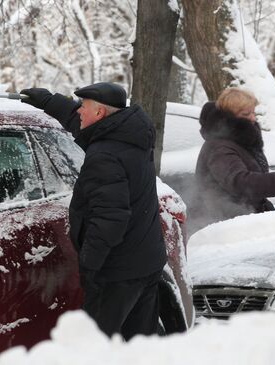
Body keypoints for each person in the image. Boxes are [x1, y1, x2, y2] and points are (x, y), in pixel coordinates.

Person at [20, 83, 166, 340]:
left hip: (117, 273)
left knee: (94, 347)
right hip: (146, 262)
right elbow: (79, 122)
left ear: (99, 113)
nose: (78, 111)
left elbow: (110, 218)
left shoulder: (105, 155)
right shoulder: (131, 134)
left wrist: (90, 267)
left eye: (84, 107)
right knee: (138, 347)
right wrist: (48, 101)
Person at [191, 87, 275, 231]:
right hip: (221, 226)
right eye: (246, 114)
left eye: (253, 112)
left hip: (241, 218)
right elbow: (240, 182)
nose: (253, 118)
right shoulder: (219, 147)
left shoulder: (239, 141)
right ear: (230, 117)